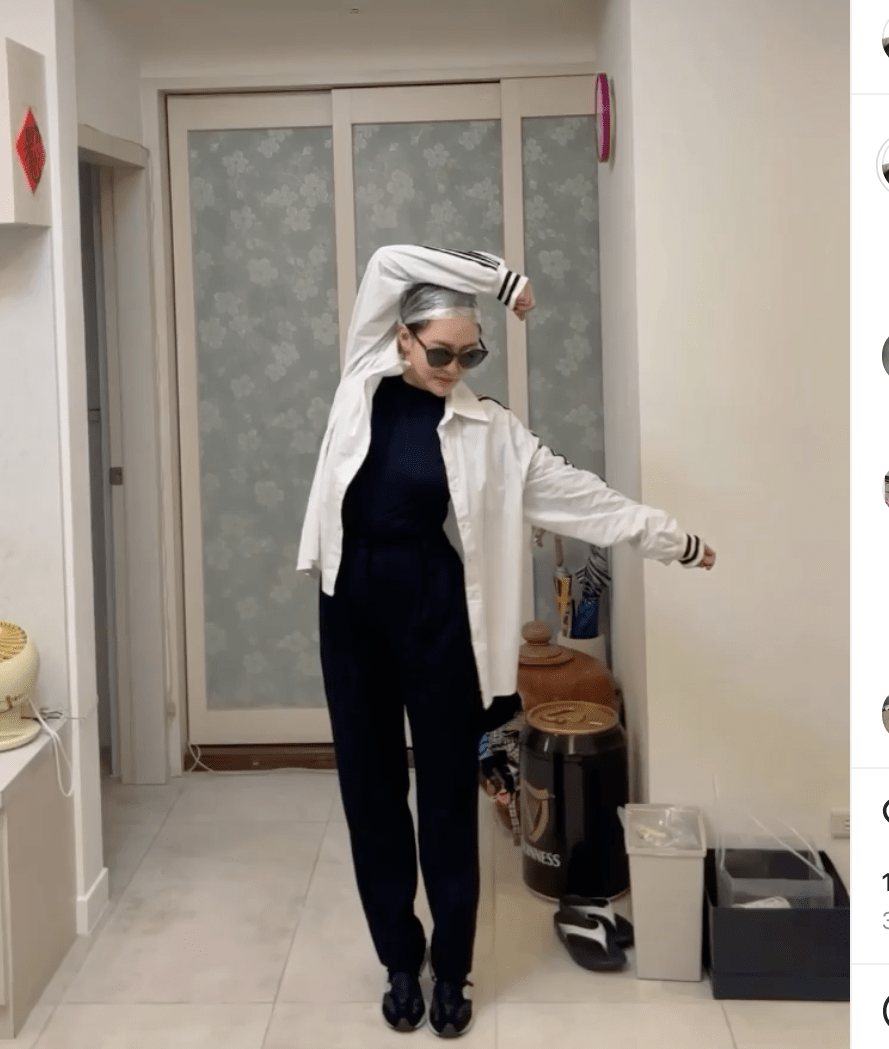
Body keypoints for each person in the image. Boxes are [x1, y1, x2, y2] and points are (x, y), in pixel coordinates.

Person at [297, 244, 715, 1037]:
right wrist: (501, 281)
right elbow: (389, 261)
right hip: (349, 607)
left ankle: (452, 966)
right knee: (371, 790)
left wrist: (672, 539)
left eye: (471, 354)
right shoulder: (362, 377)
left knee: (446, 791)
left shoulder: (490, 429)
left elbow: (579, 498)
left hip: (434, 606)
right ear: (402, 340)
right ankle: (399, 959)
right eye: (441, 353)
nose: (454, 368)